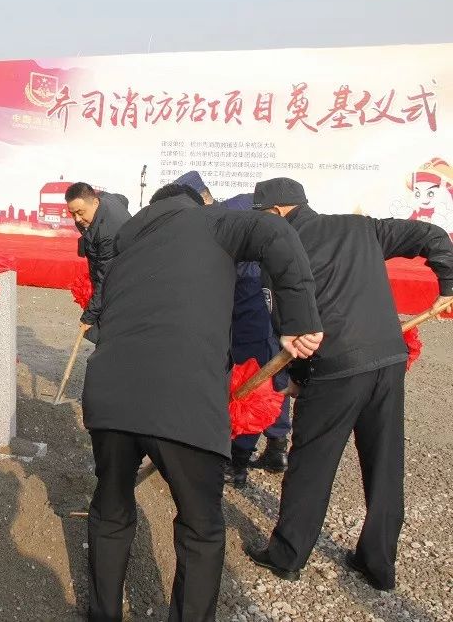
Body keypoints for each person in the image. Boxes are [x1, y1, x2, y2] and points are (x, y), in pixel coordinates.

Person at [82, 183, 323, 621]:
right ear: (198, 202)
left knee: (111, 510)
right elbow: (275, 231)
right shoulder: (211, 221)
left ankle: (102, 615)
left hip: (110, 395)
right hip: (184, 400)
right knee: (200, 527)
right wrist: (299, 320)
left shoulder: (127, 245)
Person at [245, 177, 453, 591]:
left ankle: (287, 555)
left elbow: (287, 324)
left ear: (278, 212)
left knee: (312, 463)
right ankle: (377, 564)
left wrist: (296, 380)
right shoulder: (362, 228)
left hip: (334, 368)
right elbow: (431, 234)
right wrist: (448, 283)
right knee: (384, 462)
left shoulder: (279, 250)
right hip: (388, 359)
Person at [173, 170, 291, 487]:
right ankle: (277, 445)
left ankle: (237, 462)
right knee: (268, 374)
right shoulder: (242, 205)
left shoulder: (212, 219)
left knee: (248, 380)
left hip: (243, 310)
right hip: (262, 305)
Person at [64, 182, 131, 338]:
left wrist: (89, 317)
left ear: (95, 203)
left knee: (108, 328)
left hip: (122, 280)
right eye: (72, 213)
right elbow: (122, 199)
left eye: (80, 212)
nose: (77, 219)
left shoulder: (106, 235)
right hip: (115, 267)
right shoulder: (104, 199)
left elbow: (104, 280)